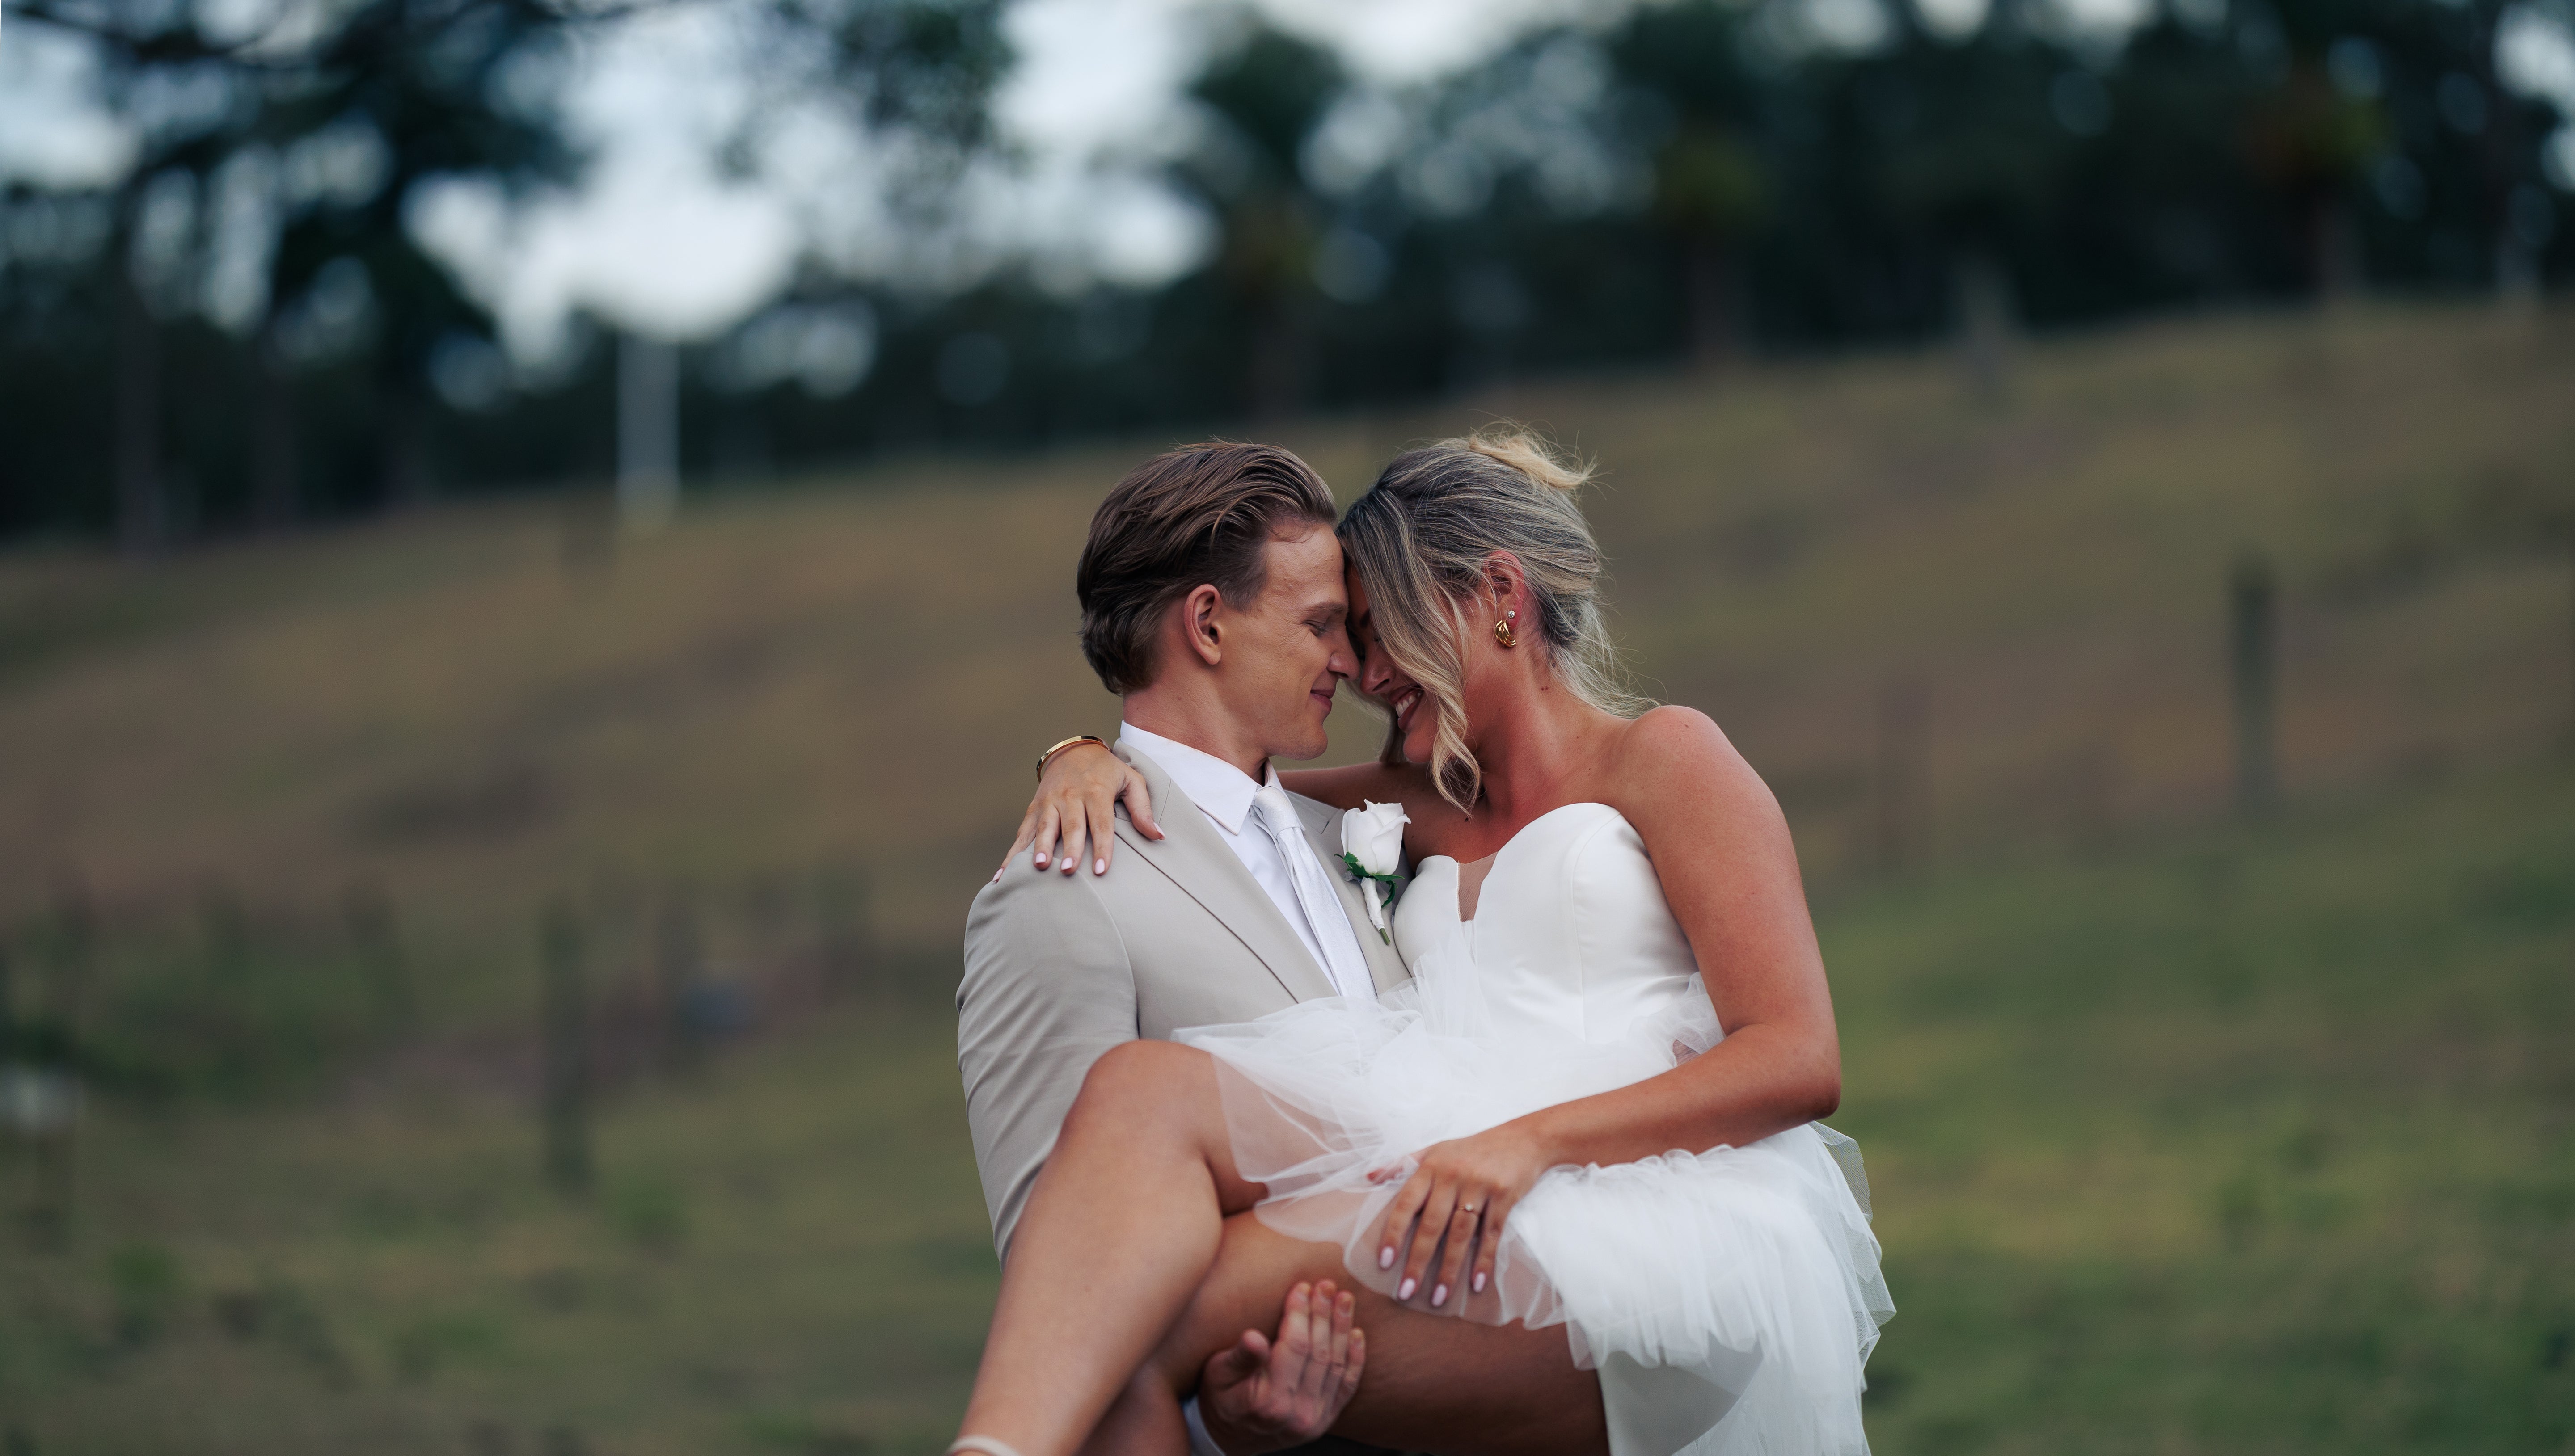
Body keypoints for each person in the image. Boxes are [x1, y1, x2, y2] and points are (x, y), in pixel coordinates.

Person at [967, 428, 1893, 1456]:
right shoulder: (1410, 804)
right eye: (1335, 631)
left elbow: (1800, 1057)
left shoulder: (1665, 758)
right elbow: (1207, 792)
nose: (1361, 671)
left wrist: (1528, 1142)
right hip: (1443, 1194)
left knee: (1130, 1325)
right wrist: (1078, 754)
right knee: (1140, 1116)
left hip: (1628, 1208)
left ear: (1498, 596)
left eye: (1373, 630)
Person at [956, 442, 1607, 1456]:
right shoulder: (1060, 892)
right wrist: (1237, 1422)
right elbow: (1068, 1281)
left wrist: (1070, 747)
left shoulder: (1345, 830)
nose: (1351, 663)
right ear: (1208, 624)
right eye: (1320, 626)